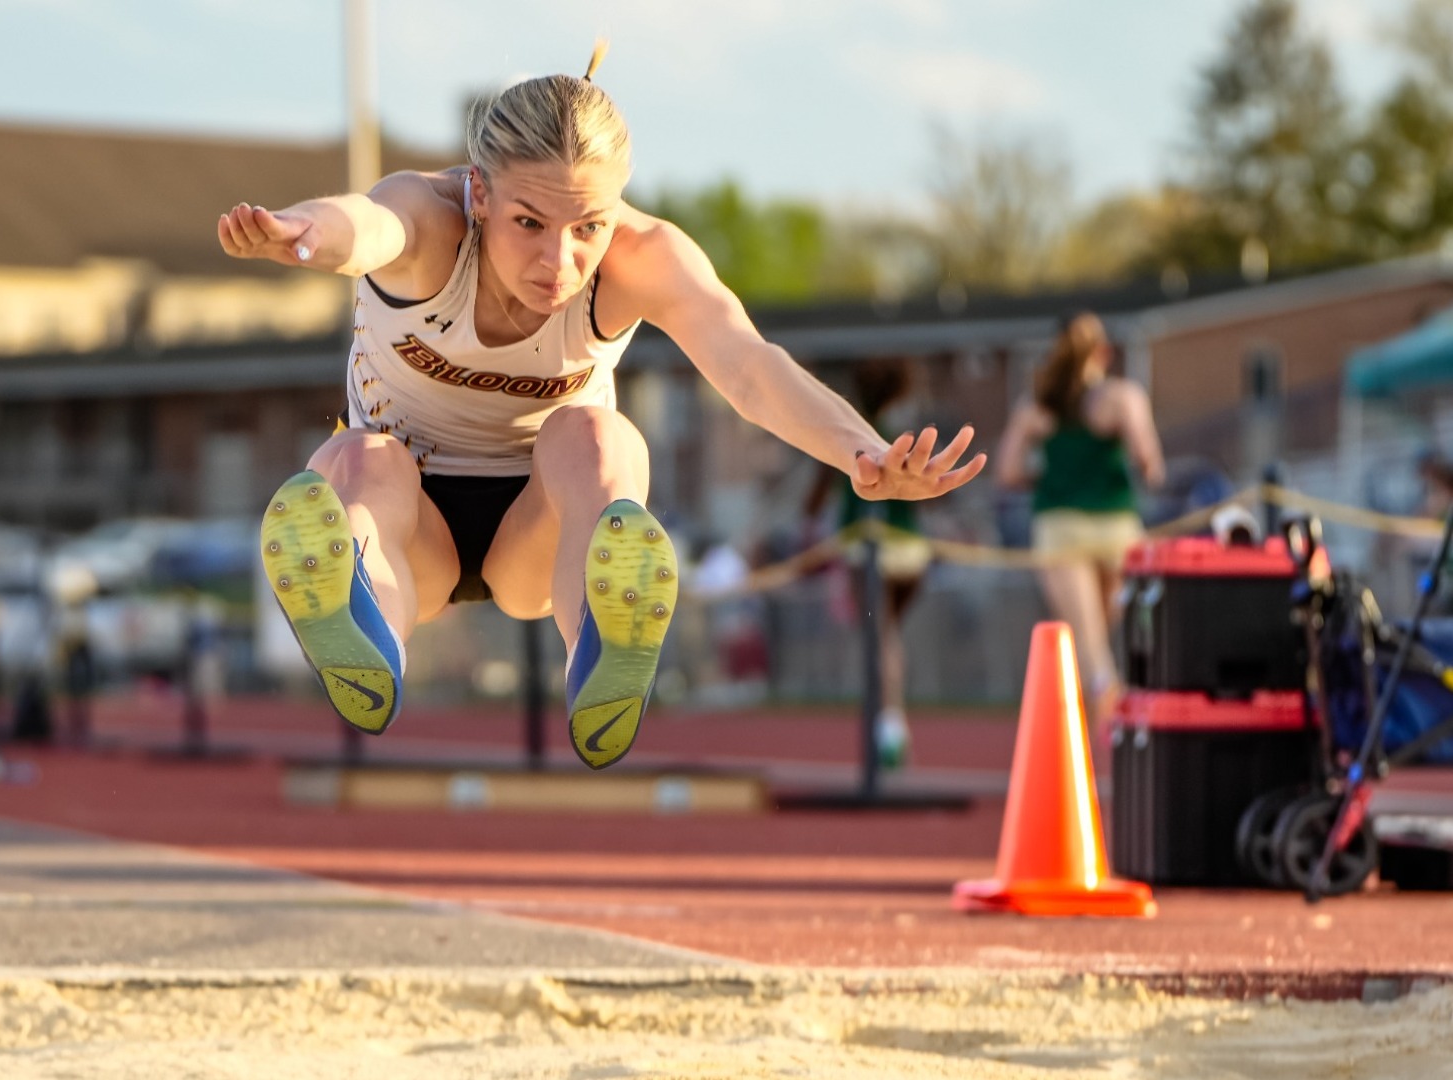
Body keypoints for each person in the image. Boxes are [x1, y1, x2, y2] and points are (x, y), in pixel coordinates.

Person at [219, 44, 985, 769]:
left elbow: (748, 366)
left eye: (589, 227)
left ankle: (600, 648)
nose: (561, 262)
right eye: (529, 224)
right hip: (414, 530)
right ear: (479, 193)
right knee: (355, 460)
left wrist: (862, 454)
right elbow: (365, 224)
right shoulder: (430, 221)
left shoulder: (643, 255)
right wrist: (302, 233)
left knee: (597, 435)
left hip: (542, 527)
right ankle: (366, 635)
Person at [995, 311, 1164, 727]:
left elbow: (1007, 471)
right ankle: (1109, 728)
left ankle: (1106, 719)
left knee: (1089, 643)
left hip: (1061, 528)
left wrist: (1050, 474)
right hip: (1117, 529)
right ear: (1102, 353)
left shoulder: (1038, 406)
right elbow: (1150, 464)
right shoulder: (1122, 397)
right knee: (1098, 638)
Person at [803, 357, 931, 769]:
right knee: (889, 636)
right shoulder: (902, 436)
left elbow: (815, 499)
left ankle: (890, 726)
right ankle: (893, 721)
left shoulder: (848, 436)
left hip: (869, 549)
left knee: (882, 640)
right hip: (910, 551)